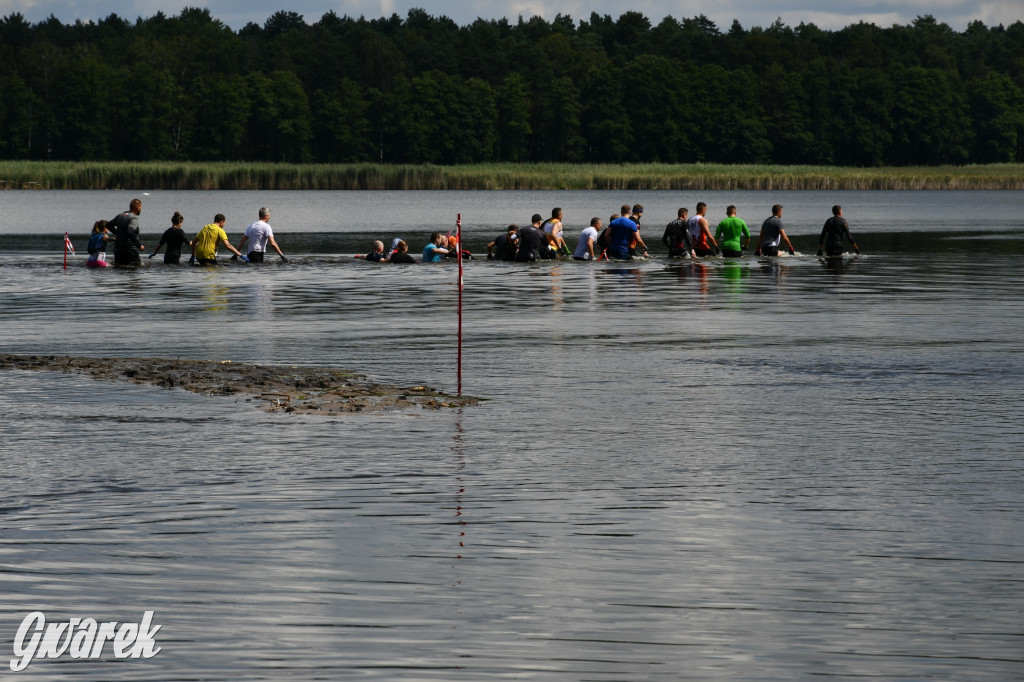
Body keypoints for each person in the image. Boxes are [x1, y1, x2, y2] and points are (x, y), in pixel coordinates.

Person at [107, 198, 145, 267]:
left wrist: (118, 234)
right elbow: (130, 232)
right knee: (137, 268)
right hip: (130, 250)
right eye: (141, 207)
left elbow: (108, 225)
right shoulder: (133, 218)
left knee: (120, 270)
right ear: (138, 208)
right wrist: (139, 245)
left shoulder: (120, 215)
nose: (141, 209)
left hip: (118, 250)